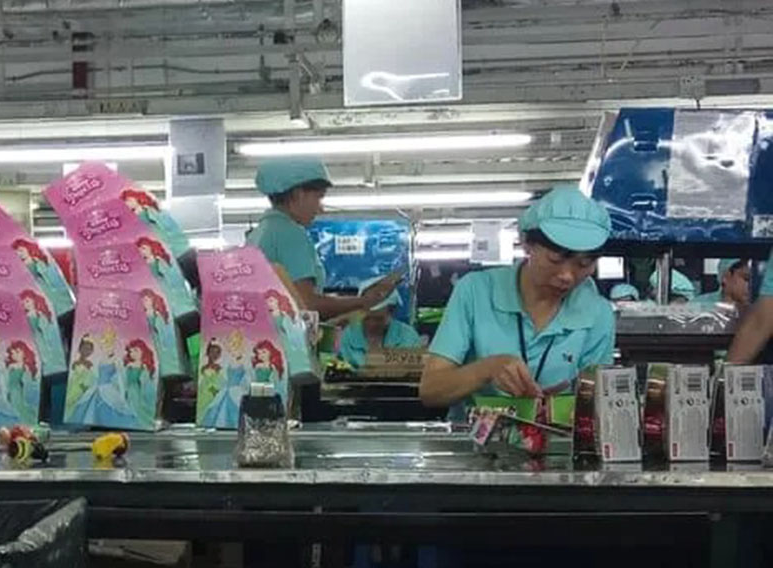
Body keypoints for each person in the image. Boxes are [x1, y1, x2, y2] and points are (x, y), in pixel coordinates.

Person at [419, 187, 615, 420]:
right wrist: (487, 369)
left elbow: (599, 405)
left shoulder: (598, 313)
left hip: (556, 444)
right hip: (475, 445)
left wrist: (568, 407)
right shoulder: (475, 291)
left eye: (583, 264)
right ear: (525, 243)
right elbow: (431, 390)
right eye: (555, 260)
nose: (568, 276)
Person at [246, 158, 398, 319]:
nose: (321, 209)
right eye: (319, 197)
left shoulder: (259, 234)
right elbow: (307, 305)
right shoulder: (290, 234)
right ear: (298, 194)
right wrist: (363, 301)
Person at [338, 278, 424, 368]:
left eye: (378, 319)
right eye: (367, 318)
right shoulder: (349, 336)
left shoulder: (408, 337)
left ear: (392, 312)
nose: (372, 324)